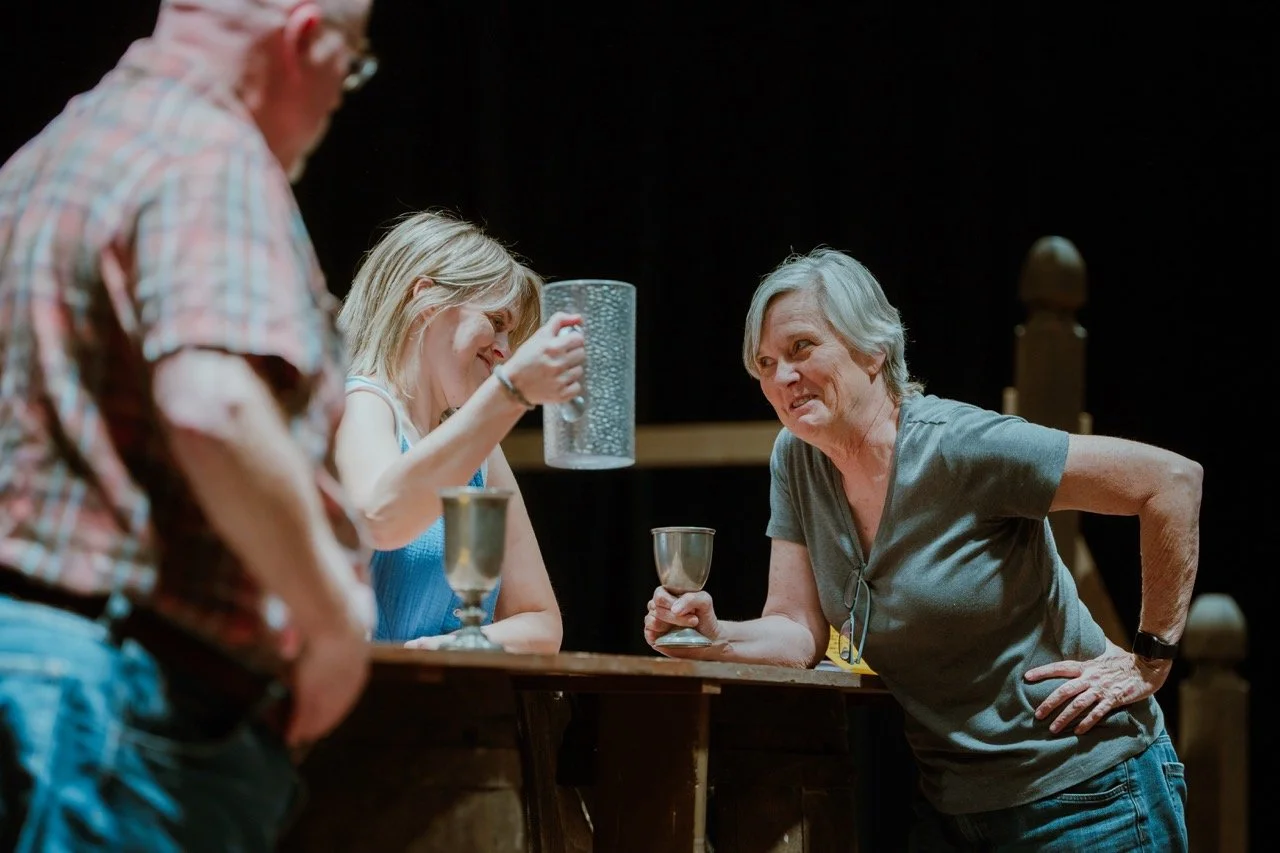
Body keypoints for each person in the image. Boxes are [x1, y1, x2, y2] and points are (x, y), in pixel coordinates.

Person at [643, 248, 1199, 851]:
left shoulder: (960, 447)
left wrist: (1150, 658)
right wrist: (712, 635)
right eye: (765, 362)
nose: (782, 378)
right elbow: (796, 629)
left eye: (802, 348)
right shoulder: (797, 459)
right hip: (955, 810)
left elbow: (1168, 482)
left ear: (873, 348)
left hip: (1089, 797)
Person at [0, 1, 380, 849]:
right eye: (350, 66)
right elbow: (213, 402)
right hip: (128, 716)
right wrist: (330, 622)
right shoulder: (211, 155)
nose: (339, 97)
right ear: (305, 37)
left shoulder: (44, 158)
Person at [335, 210, 581, 653]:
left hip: (455, 708)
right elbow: (380, 517)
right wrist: (511, 392)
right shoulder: (364, 402)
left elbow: (541, 622)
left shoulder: (477, 445)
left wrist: (448, 650)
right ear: (426, 300)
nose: (505, 351)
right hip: (370, 711)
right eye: (497, 321)